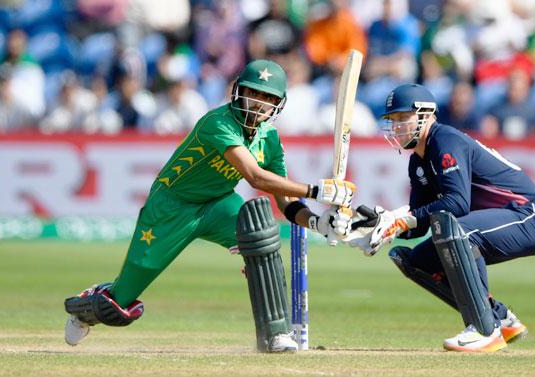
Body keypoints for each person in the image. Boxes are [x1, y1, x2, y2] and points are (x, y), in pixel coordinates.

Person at [63, 60, 355, 353]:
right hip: (171, 206)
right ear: (238, 92)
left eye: (267, 98)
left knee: (261, 235)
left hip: (218, 203)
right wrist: (317, 190)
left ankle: (276, 335)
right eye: (253, 93)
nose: (258, 104)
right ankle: (85, 306)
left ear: (278, 105)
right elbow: (255, 177)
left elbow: (287, 204)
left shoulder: (270, 139)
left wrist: (319, 223)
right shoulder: (218, 122)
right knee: (119, 304)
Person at [344, 84, 535, 352]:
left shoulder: (445, 140)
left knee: (457, 231)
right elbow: (419, 222)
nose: (396, 127)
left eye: (402, 119)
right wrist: (381, 227)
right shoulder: (417, 161)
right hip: (496, 220)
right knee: (411, 260)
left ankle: (484, 329)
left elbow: (456, 204)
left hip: (531, 215)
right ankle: (499, 317)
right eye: (392, 121)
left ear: (426, 115)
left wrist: (400, 220)